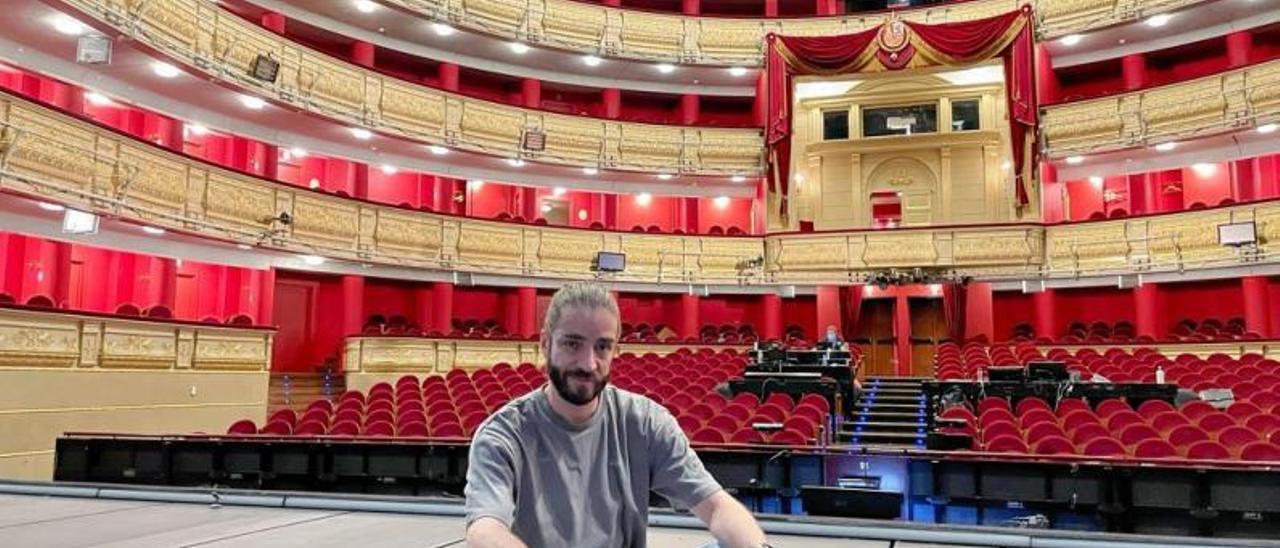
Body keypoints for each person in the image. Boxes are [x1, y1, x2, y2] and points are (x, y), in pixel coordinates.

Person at [465, 282, 771, 548]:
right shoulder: (502, 435)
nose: (588, 363)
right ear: (545, 343)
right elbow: (485, 530)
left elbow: (717, 507)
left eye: (602, 347)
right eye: (572, 343)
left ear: (615, 351)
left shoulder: (646, 422)